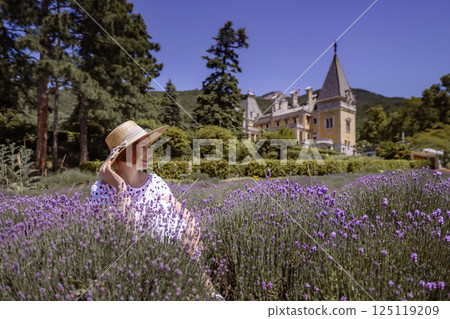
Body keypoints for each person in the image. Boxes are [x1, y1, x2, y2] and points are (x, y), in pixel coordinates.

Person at [89, 121, 223, 300]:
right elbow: (122, 234)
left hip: (184, 261)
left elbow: (184, 213)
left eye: (149, 147)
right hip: (143, 271)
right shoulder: (101, 190)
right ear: (124, 153)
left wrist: (192, 231)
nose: (149, 153)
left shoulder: (155, 181)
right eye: (143, 148)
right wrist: (121, 187)